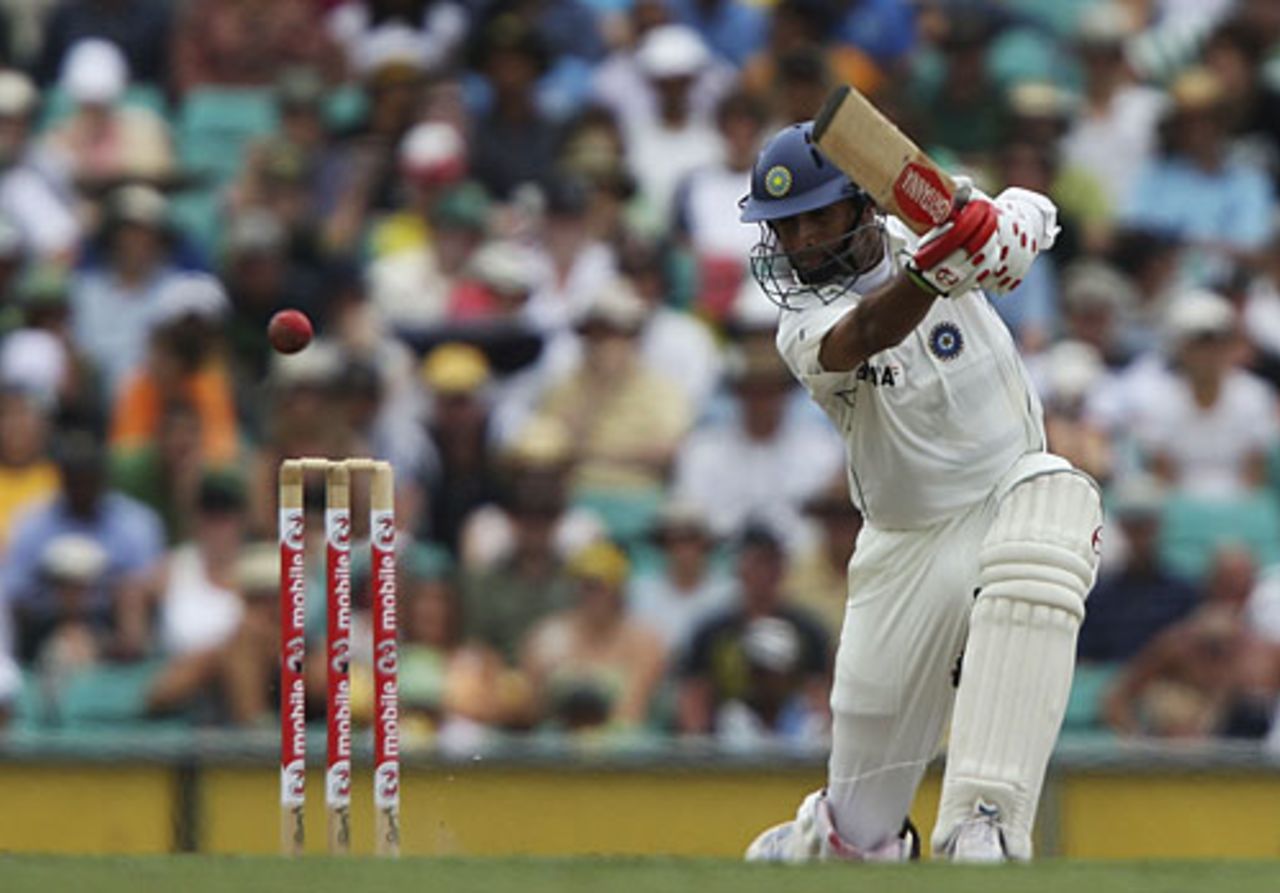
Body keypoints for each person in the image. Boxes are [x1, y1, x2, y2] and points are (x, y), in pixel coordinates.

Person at [738, 121, 1102, 863]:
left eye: (816, 216)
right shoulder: (802, 322)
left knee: (1053, 493)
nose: (800, 240)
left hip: (1007, 492)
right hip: (903, 548)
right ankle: (814, 843)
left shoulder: (924, 224)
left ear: (862, 205)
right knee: (858, 838)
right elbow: (866, 329)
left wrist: (1000, 231)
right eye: (784, 226)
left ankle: (984, 822)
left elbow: (1032, 213)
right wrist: (943, 265)